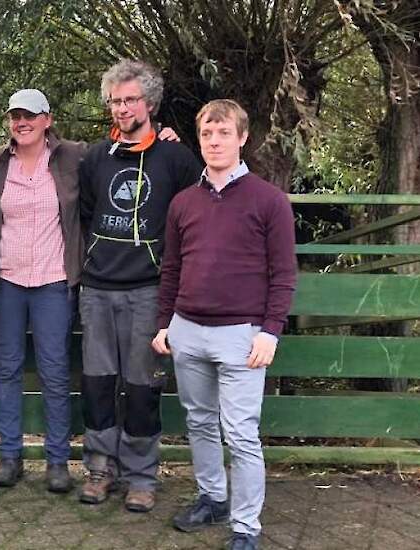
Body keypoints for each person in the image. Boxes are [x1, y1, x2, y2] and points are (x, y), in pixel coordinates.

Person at [153, 99, 297, 550]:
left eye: (223, 134)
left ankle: (245, 527)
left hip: (243, 335)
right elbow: (172, 268)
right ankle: (212, 497)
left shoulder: (269, 200)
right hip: (187, 330)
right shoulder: (183, 204)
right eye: (207, 135)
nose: (214, 143)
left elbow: (284, 273)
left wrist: (271, 330)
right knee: (198, 421)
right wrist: (164, 325)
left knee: (241, 433)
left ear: (242, 138)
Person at [78, 59, 201, 512]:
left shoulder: (176, 157)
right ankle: (98, 469)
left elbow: (195, 214)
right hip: (97, 288)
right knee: (96, 383)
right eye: (115, 100)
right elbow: (88, 214)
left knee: (143, 386)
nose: (122, 107)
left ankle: (142, 476)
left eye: (130, 99)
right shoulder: (95, 157)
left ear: (149, 103)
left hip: (149, 289)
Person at [0, 89, 85, 492]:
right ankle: (10, 456)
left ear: (47, 120)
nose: (21, 123)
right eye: (15, 116)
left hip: (53, 281)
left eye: (29, 116)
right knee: (6, 370)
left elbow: (120, 153)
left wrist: (162, 135)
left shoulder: (72, 157)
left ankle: (58, 461)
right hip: (6, 282)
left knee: (55, 371)